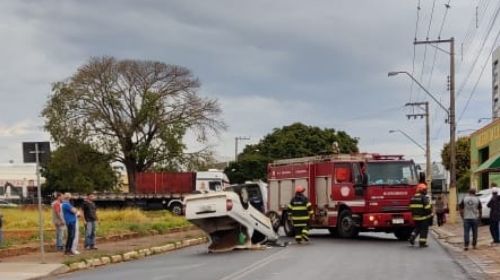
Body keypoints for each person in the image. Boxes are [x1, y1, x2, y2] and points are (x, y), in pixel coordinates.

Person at [409, 183, 433, 248]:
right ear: (421, 190)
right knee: (424, 230)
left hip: (415, 217)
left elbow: (410, 207)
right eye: (424, 190)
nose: (426, 191)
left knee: (417, 228)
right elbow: (427, 208)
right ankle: (422, 243)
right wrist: (430, 213)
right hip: (423, 217)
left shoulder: (413, 197)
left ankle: (412, 237)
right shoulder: (423, 198)